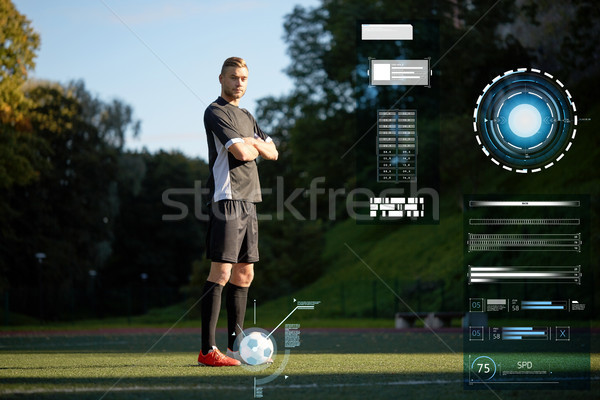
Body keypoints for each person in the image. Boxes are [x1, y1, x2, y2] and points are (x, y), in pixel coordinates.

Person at [198, 57, 278, 367]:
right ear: (221, 78)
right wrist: (253, 143)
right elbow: (243, 152)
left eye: (243, 77)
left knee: (245, 274)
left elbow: (273, 152)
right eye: (233, 77)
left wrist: (253, 142)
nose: (239, 83)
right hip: (227, 198)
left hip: (250, 200)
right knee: (221, 272)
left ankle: (235, 349)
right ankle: (208, 351)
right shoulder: (215, 112)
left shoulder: (246, 115)